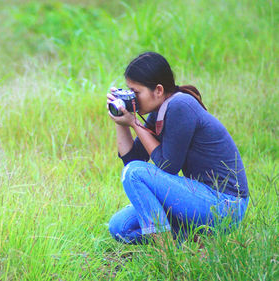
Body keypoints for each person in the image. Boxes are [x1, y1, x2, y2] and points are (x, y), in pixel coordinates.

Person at [106, 52, 249, 245]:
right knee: (120, 227)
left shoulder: (180, 105)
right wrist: (120, 119)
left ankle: (167, 252)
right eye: (129, 92)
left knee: (134, 173)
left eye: (136, 93)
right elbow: (132, 160)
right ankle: (193, 240)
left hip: (225, 204)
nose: (133, 99)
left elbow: (167, 166)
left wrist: (134, 124)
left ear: (158, 90)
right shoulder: (159, 110)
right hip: (199, 199)